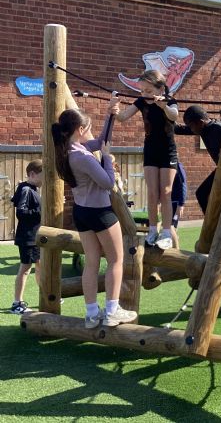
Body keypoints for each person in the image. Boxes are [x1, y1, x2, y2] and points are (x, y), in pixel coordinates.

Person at [52, 107, 137, 328]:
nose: (91, 132)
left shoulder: (69, 149)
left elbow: (101, 141)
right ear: (80, 130)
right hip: (100, 213)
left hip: (82, 212)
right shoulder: (82, 156)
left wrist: (110, 114)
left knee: (92, 262)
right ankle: (111, 311)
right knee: (116, 260)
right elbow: (107, 182)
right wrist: (107, 157)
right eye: (89, 128)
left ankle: (92, 314)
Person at [114, 70, 179, 249]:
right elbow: (122, 117)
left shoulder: (169, 100)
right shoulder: (141, 101)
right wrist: (114, 109)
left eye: (149, 91)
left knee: (165, 192)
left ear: (160, 89)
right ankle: (152, 230)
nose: (144, 94)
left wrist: (164, 106)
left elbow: (174, 116)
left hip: (168, 151)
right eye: (142, 90)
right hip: (150, 150)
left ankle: (166, 232)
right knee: (151, 193)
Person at [175, 105, 221, 213]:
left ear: (201, 122)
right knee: (201, 194)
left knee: (209, 195)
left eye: (191, 126)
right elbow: (178, 129)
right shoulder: (200, 128)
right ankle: (211, 221)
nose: (191, 129)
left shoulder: (220, 129)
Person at [9, 160, 43, 314]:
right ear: (32, 174)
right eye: (43, 176)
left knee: (40, 265)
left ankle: (47, 293)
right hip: (27, 237)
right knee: (26, 268)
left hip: (35, 236)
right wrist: (41, 210)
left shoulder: (32, 189)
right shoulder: (26, 190)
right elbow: (21, 212)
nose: (45, 179)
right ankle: (17, 303)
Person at [171, 162, 187, 247]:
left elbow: (183, 184)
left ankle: (176, 250)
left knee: (170, 227)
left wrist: (181, 204)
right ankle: (174, 249)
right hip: (171, 202)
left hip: (175, 203)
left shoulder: (178, 166)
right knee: (173, 228)